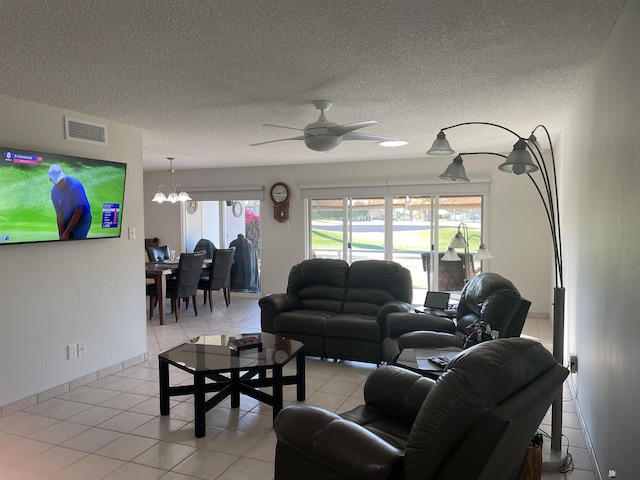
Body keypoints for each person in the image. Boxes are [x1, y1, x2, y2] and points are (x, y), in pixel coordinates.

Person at [48, 164, 92, 240]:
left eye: (61, 179)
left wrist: (67, 232)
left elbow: (78, 211)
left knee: (75, 242)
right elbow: (59, 215)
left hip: (82, 218)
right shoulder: (54, 192)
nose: (61, 182)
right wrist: (61, 234)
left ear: (64, 172)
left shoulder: (75, 186)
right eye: (58, 181)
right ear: (51, 180)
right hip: (68, 218)